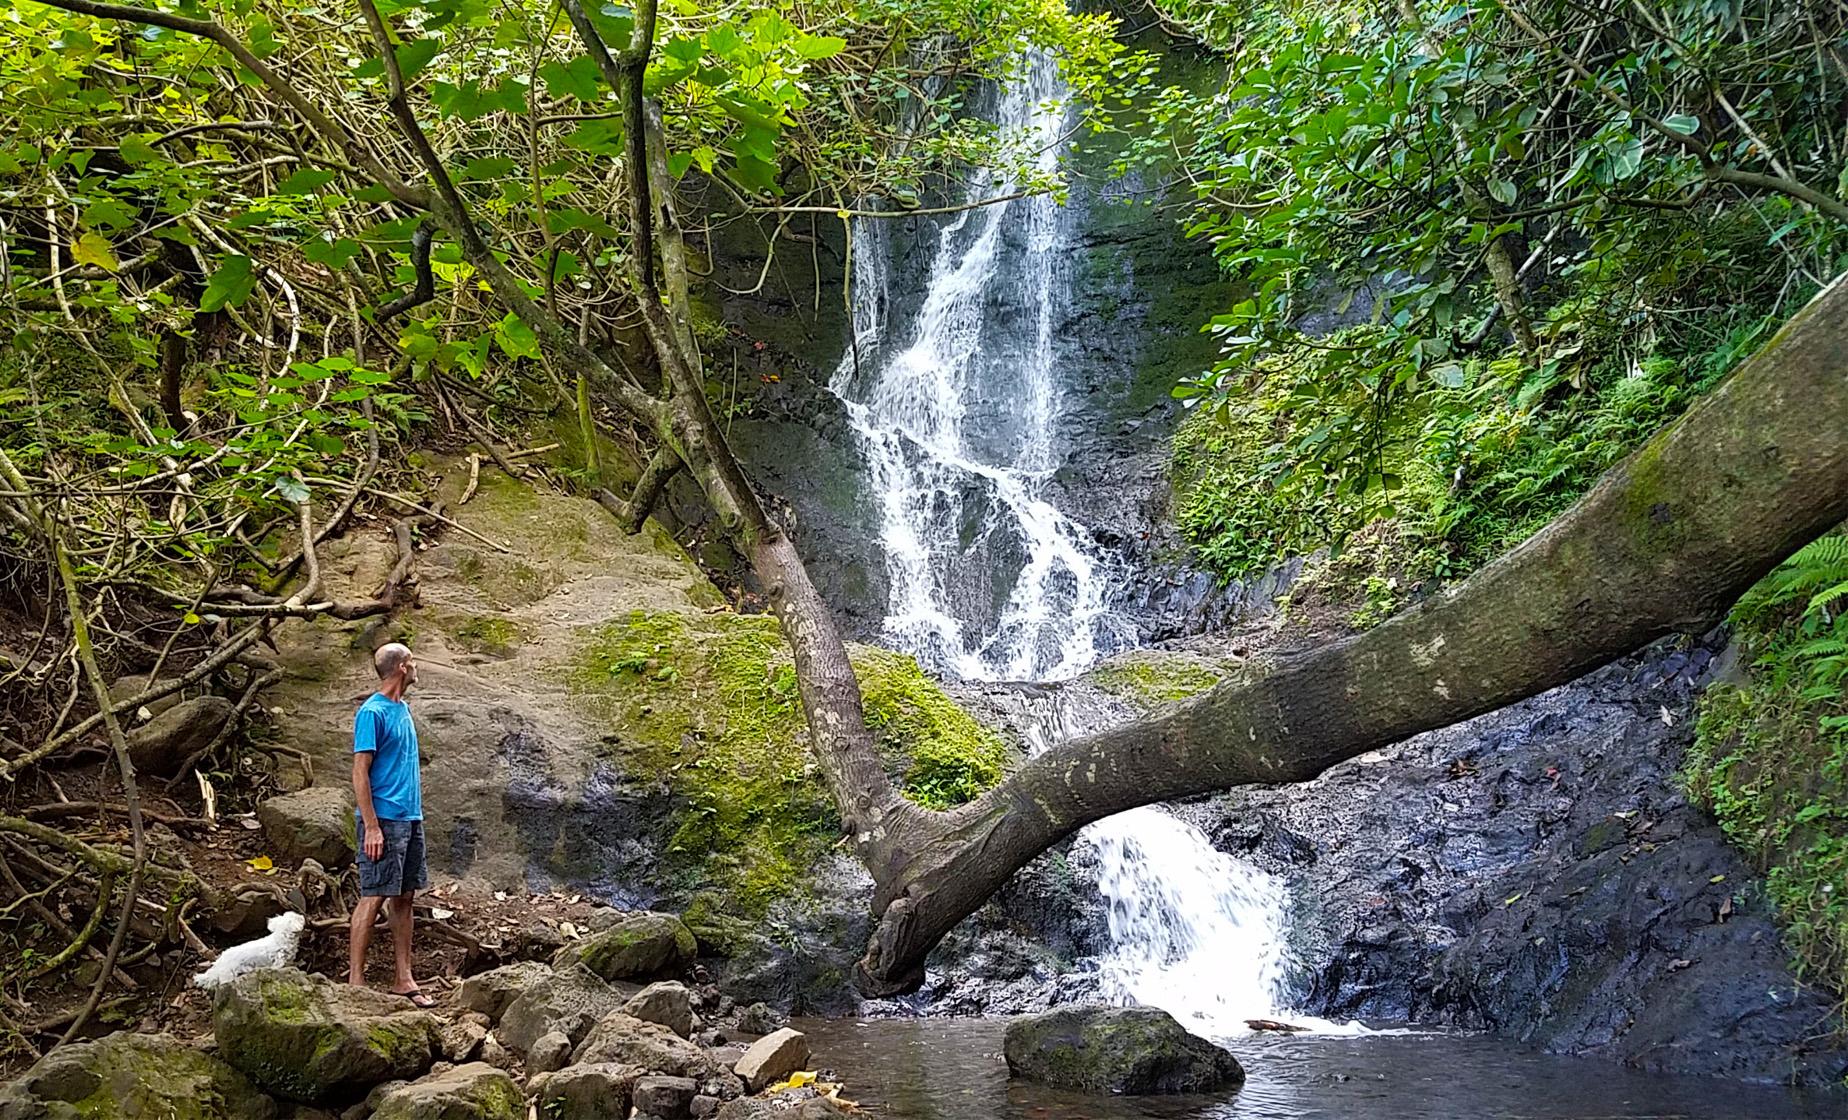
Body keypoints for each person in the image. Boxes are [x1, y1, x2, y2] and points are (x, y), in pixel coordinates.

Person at [347, 641, 434, 1006]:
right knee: (373, 893)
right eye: (412, 662)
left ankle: (404, 978)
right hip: (383, 819)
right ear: (401, 668)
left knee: (405, 895)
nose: (416, 668)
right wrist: (371, 826)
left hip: (409, 816)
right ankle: (356, 981)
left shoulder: (403, 709)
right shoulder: (373, 713)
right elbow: (360, 772)